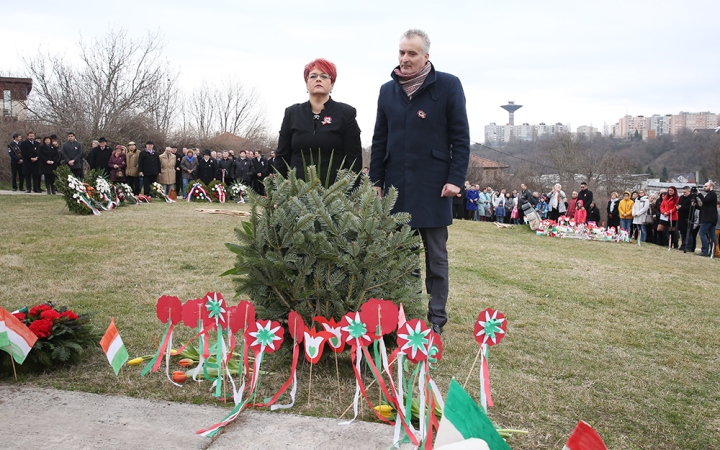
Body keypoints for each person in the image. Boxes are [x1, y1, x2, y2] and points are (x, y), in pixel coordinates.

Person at [369, 29, 469, 335]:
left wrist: (455, 179)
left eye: (412, 53)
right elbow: (380, 139)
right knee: (403, 256)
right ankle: (409, 317)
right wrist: (376, 180)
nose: (405, 58)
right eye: (401, 52)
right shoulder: (388, 90)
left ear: (426, 56)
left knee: (436, 257)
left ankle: (436, 320)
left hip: (435, 186)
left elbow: (460, 138)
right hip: (398, 185)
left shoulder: (448, 85)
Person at [276, 58, 362, 187]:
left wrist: (350, 196)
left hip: (334, 196)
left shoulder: (346, 113)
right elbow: (282, 156)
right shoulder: (292, 113)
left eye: (324, 76)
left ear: (332, 84)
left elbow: (354, 159)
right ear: (306, 83)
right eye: (313, 76)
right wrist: (279, 191)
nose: (318, 79)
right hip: (295, 196)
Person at [694, 181, 718, 257]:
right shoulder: (709, 195)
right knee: (712, 234)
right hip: (709, 217)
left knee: (702, 232)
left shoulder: (712, 194)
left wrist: (699, 194)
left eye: (706, 186)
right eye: (704, 186)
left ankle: (705, 250)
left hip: (708, 217)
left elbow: (704, 201)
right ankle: (713, 251)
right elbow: (704, 207)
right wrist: (696, 206)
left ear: (711, 187)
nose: (704, 188)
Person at [676, 186, 693, 251]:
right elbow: (678, 203)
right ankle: (682, 245)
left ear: (689, 191)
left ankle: (688, 246)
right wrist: (678, 206)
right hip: (681, 217)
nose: (684, 193)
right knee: (682, 233)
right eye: (683, 192)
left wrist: (682, 207)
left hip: (688, 217)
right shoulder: (681, 197)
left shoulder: (691, 198)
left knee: (688, 233)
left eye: (685, 192)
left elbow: (691, 208)